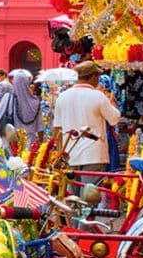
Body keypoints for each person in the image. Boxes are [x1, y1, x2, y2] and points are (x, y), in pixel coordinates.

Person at [52, 61, 121, 195]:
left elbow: (57, 130)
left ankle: (74, 216)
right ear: (92, 76)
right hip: (93, 154)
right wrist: (112, 102)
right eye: (97, 76)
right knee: (90, 197)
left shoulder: (62, 97)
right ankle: (86, 216)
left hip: (69, 153)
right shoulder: (98, 96)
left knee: (73, 197)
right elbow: (114, 119)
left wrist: (60, 153)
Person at [0, 69, 44, 149]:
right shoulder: (35, 102)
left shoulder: (8, 97)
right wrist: (41, 144)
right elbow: (40, 126)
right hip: (30, 143)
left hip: (11, 141)